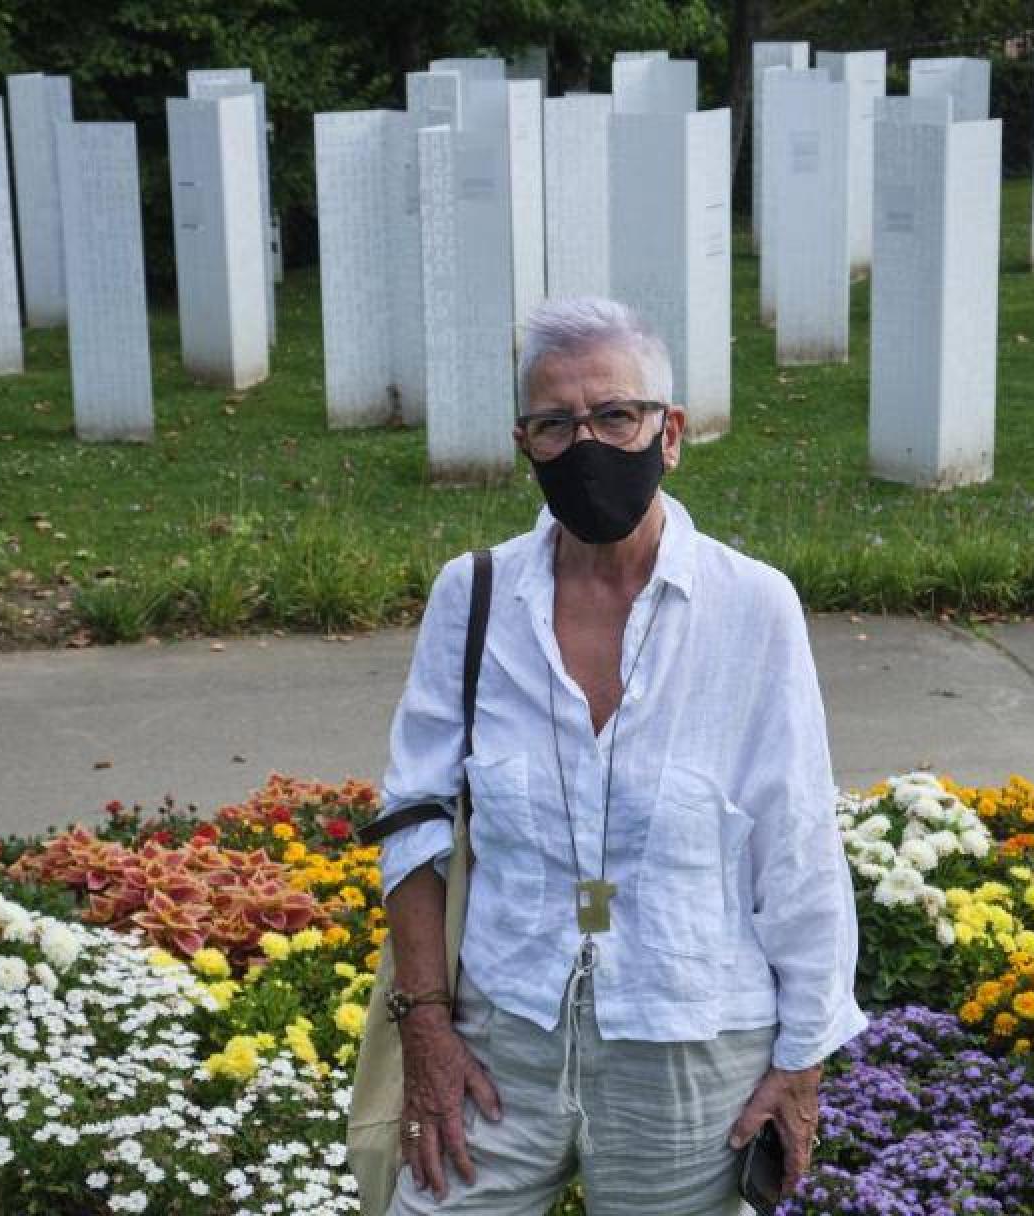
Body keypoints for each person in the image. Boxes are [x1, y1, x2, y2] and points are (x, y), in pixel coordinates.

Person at [371, 296, 867, 1216]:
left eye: (616, 416)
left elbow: (795, 839)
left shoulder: (751, 606)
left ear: (669, 434)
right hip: (496, 1040)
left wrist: (803, 1058)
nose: (587, 443)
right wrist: (428, 1028)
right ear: (526, 444)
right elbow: (412, 818)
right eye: (555, 424)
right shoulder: (472, 596)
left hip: (690, 1046)